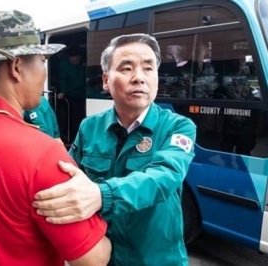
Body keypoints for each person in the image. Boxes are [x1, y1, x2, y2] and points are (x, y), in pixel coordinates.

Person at [0, 10, 111, 266]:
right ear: (16, 67)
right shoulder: (41, 154)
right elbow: (93, 259)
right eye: (41, 61)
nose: (45, 73)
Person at [33, 33, 197, 266]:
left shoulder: (178, 127)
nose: (139, 78)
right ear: (106, 80)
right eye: (127, 68)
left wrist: (102, 195)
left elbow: (164, 177)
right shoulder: (90, 126)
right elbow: (67, 176)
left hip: (157, 259)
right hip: (103, 256)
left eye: (148, 69)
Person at [58, 45, 86, 142]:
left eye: (77, 61)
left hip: (82, 94)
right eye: (73, 61)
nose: (75, 63)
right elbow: (62, 80)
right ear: (69, 58)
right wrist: (62, 91)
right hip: (70, 94)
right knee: (73, 117)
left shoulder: (82, 64)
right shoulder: (63, 65)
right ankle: (73, 137)